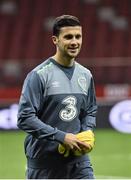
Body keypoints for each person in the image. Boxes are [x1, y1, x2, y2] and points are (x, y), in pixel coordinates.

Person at [17, 14, 97, 179]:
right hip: (44, 163)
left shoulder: (86, 75)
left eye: (78, 36)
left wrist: (87, 130)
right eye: (68, 37)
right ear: (55, 40)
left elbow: (90, 109)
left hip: (78, 162)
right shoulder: (39, 75)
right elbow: (24, 118)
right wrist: (62, 137)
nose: (74, 41)